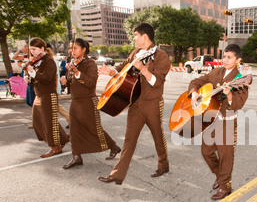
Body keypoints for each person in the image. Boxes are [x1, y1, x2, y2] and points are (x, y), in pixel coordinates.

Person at [97, 22, 172, 185]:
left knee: (157, 136)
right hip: (135, 103)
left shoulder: (161, 56)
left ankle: (163, 164)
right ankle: (117, 174)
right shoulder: (135, 53)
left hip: (152, 103)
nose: (133, 38)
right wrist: (110, 72)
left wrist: (143, 69)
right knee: (129, 139)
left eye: (135, 35)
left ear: (144, 36)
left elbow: (157, 82)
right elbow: (122, 69)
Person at [188, 44, 249, 200]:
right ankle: (219, 175)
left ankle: (225, 186)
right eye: (224, 56)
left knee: (225, 156)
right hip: (211, 120)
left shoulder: (240, 79)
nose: (225, 60)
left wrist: (229, 95)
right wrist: (194, 92)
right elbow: (197, 81)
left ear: (238, 60)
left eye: (229, 57)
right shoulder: (216, 72)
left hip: (227, 123)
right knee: (206, 152)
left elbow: (238, 103)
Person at [60, 38, 121, 169]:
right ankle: (76, 156)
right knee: (74, 129)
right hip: (75, 101)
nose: (72, 51)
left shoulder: (90, 64)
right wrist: (65, 79)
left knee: (93, 129)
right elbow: (71, 80)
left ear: (83, 49)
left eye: (75, 48)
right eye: (71, 48)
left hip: (87, 101)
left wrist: (76, 72)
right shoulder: (72, 63)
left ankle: (113, 146)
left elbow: (90, 83)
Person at [25, 37, 69, 158]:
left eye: (34, 49)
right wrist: (29, 79)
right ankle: (64, 138)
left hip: (48, 95)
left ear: (42, 48)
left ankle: (55, 147)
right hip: (39, 95)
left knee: (48, 122)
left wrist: (33, 73)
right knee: (38, 121)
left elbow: (46, 78)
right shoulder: (38, 62)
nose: (32, 52)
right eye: (31, 49)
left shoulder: (48, 61)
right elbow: (38, 79)